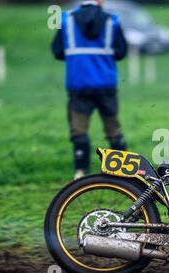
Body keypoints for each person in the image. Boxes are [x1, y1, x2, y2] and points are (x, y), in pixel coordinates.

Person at [51, 0, 128, 179]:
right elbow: (121, 52)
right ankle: (124, 172)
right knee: (113, 129)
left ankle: (80, 172)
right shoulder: (112, 21)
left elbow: (57, 51)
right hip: (106, 84)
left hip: (79, 84)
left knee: (79, 130)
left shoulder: (66, 19)